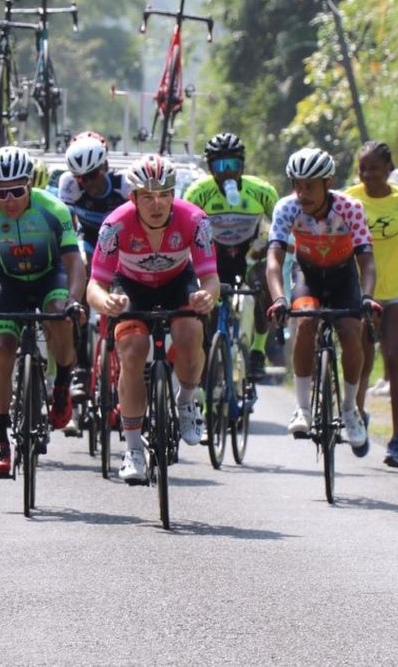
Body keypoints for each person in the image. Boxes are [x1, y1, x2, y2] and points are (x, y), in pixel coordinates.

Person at [86, 154, 219, 485]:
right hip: (131, 286)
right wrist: (107, 301)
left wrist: (207, 296)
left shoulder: (196, 220)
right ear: (133, 198)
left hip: (178, 282)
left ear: (174, 195)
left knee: (190, 332)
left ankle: (187, 401)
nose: (157, 203)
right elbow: (94, 286)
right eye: (147, 195)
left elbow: (211, 279)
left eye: (164, 194)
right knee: (132, 349)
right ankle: (132, 449)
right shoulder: (114, 226)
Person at [0, 146, 87, 477]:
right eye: (0, 192)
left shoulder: (53, 210)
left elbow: (74, 262)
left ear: (30, 184)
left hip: (50, 275)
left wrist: (75, 300)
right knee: (2, 349)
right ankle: (1, 441)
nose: (9, 200)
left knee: (59, 315)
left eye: (17, 191)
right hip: (7, 281)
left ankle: (62, 383)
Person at [265, 147, 378, 455]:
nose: (302, 193)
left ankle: (350, 410)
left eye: (310, 186)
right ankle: (302, 408)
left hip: (344, 279)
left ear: (328, 183)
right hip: (308, 277)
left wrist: (367, 297)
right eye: (297, 185)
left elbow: (367, 261)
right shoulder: (287, 208)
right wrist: (278, 298)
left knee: (352, 333)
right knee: (304, 324)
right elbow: (274, 260)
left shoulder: (350, 208)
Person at [344, 141, 398, 469]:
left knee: (395, 356)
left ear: (388, 169)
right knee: (362, 357)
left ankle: (397, 440)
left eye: (374, 168)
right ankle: (358, 415)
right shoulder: (350, 198)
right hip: (364, 286)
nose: (367, 175)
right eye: (362, 168)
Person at [182, 132, 280, 379]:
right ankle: (207, 361)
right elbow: (184, 233)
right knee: (205, 308)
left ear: (243, 165)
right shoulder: (197, 193)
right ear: (209, 168)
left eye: (233, 165)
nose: (227, 173)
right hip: (213, 257)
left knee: (263, 283)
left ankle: (257, 351)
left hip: (248, 255)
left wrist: (266, 246)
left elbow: (281, 227)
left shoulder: (262, 191)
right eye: (220, 166)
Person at [57, 132, 132, 402]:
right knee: (77, 294)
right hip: (89, 243)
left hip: (124, 248)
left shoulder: (125, 185)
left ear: (105, 168)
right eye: (81, 178)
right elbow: (66, 229)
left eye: (93, 175)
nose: (87, 184)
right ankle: (81, 368)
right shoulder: (69, 185)